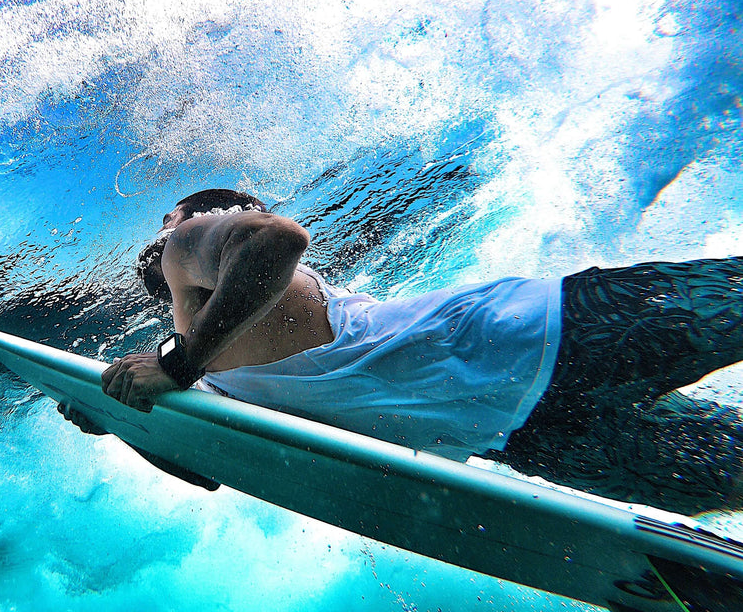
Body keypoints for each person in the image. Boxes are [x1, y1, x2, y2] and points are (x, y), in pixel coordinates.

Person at [67, 188, 743, 515]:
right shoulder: (209, 375)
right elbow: (217, 467)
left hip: (551, 330)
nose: (166, 227)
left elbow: (278, 240)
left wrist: (177, 365)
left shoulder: (191, 248)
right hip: (525, 435)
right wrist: (122, 418)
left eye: (178, 214)